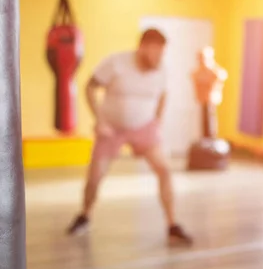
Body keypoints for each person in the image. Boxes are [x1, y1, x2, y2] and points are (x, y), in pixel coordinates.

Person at [67, 28, 193, 246]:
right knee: (95, 177)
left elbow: (163, 94)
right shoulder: (116, 63)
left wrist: (156, 122)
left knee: (164, 170)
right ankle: (85, 215)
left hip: (144, 128)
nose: (159, 59)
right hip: (112, 128)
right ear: (143, 47)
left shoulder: (161, 70)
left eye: (162, 54)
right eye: (155, 53)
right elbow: (90, 87)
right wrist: (99, 120)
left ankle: (172, 225)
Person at [191, 46, 227, 138]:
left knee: (211, 122)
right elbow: (194, 76)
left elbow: (222, 76)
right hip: (203, 100)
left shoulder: (214, 71)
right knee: (204, 122)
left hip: (211, 101)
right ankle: (205, 140)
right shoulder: (198, 72)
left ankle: (212, 140)